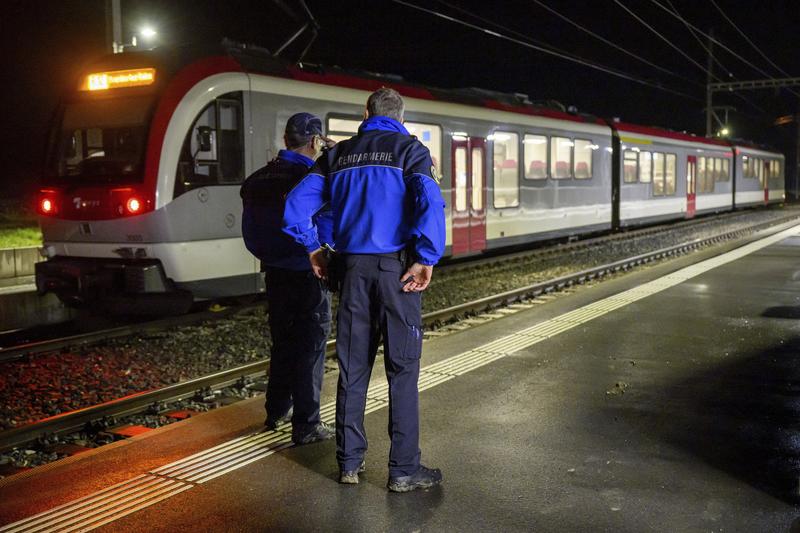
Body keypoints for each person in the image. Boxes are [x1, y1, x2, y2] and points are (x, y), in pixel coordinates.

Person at [283, 88, 446, 492]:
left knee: (353, 369)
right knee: (402, 370)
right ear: (401, 118)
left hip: (352, 271)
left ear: (365, 113)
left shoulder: (338, 155)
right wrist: (425, 257)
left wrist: (315, 248)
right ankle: (404, 470)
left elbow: (294, 207)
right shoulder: (411, 152)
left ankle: (349, 464)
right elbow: (429, 202)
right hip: (398, 273)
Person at [240, 112, 335, 445]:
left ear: (286, 140)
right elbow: (325, 225)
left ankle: (276, 409)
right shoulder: (311, 177)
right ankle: (307, 424)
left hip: (275, 272)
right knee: (310, 347)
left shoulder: (257, 178)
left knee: (282, 342)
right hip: (310, 272)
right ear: (314, 141)